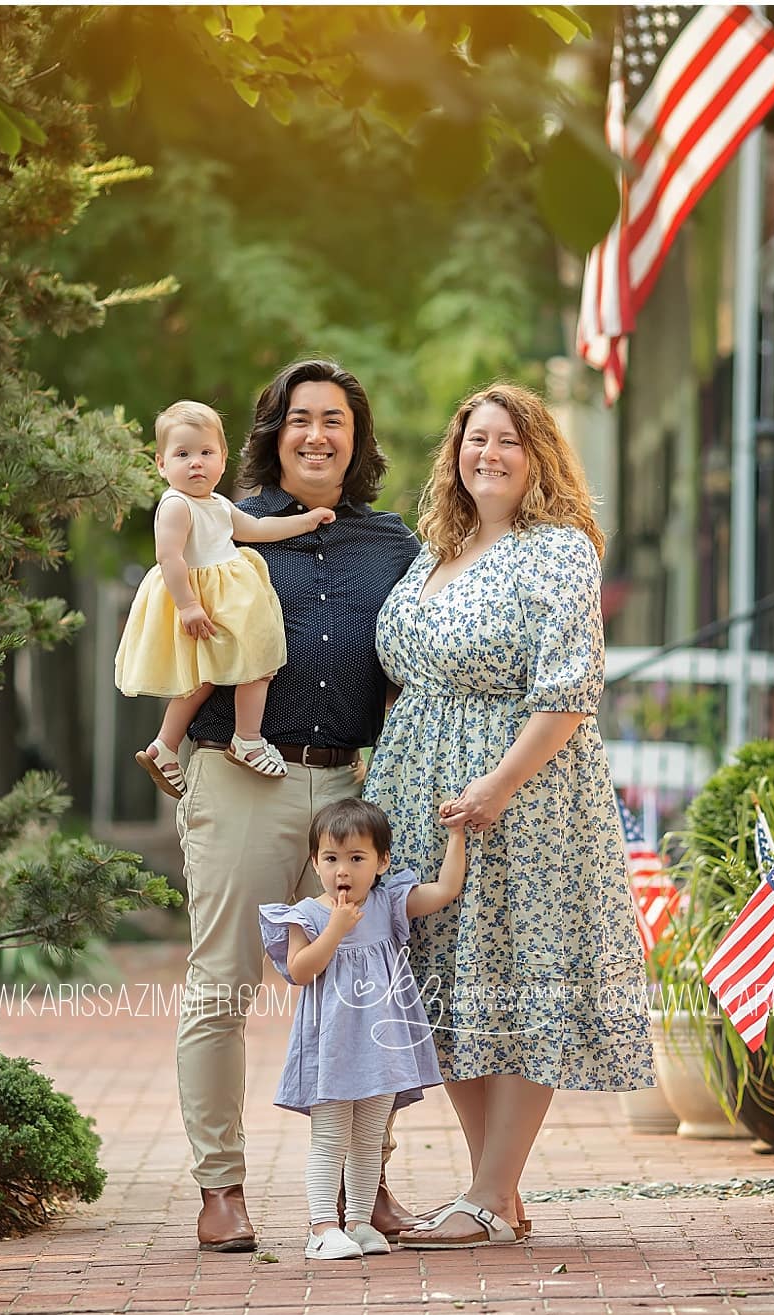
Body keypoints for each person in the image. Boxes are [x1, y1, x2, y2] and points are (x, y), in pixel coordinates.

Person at [363, 382, 657, 1249]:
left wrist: (496, 784)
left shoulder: (557, 551)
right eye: (474, 439)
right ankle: (497, 1191)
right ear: (454, 453)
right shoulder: (433, 552)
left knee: (525, 977)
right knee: (450, 983)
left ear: (538, 458)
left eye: (508, 441)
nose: (487, 454)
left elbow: (569, 690)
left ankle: (490, 1195)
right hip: (420, 790)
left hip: (523, 799)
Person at [173, 360, 424, 1253]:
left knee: (368, 989)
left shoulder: (394, 545)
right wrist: (168, 740)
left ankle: (368, 1188)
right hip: (242, 772)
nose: (318, 435)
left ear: (357, 440)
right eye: (299, 419)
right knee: (224, 983)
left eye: (336, 421)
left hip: (349, 794)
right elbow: (173, 629)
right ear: (273, 432)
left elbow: (416, 664)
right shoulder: (220, 525)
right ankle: (221, 1188)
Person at [259, 799, 466, 1260]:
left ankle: (359, 1223)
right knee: (331, 1136)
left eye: (357, 858)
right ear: (315, 863)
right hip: (332, 1046)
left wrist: (457, 834)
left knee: (371, 1136)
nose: (343, 871)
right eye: (331, 859)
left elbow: (447, 889)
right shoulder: (307, 915)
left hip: (382, 1045)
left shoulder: (388, 902)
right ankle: (320, 1228)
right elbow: (299, 970)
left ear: (381, 862)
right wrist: (334, 928)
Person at [115, 400, 336, 789]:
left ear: (222, 459)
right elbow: (168, 557)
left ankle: (164, 746)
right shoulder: (176, 505)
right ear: (161, 464)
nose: (196, 463)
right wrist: (187, 605)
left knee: (209, 679)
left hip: (223, 598)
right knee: (257, 663)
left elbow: (257, 529)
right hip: (203, 599)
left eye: (205, 452)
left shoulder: (217, 504)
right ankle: (247, 739)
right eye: (182, 454)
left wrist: (306, 520)